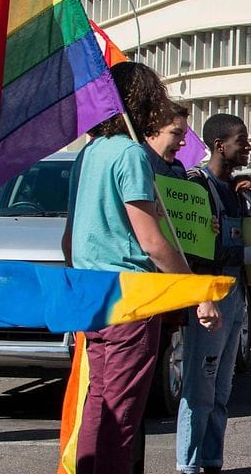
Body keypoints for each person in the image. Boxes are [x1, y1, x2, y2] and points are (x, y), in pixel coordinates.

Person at [62, 62, 212, 474]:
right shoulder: (129, 153)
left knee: (100, 399)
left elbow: (68, 237)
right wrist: (195, 289)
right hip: (130, 295)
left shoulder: (88, 153)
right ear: (141, 101)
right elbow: (151, 239)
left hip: (92, 292)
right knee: (122, 410)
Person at [177, 114, 251, 474]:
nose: (248, 148)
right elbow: (202, 252)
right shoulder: (197, 186)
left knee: (220, 390)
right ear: (219, 145)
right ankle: (188, 464)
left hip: (235, 297)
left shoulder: (237, 189)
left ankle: (212, 460)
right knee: (199, 387)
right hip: (208, 299)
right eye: (241, 141)